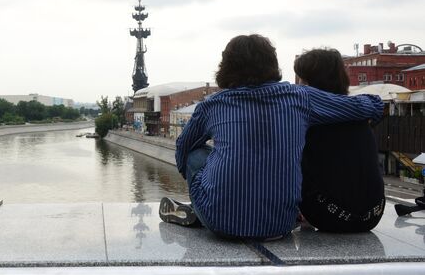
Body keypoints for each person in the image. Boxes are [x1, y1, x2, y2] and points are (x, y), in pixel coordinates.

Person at [159, 34, 384, 240]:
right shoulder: (299, 97)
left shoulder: (212, 105)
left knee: (196, 154)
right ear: (272, 64)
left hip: (220, 223)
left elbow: (183, 151)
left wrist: (205, 177)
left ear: (226, 66)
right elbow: (371, 105)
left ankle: (202, 208)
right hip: (280, 225)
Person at [294, 49, 385, 232]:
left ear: (312, 81)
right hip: (373, 214)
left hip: (326, 215)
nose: (299, 85)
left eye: (302, 79)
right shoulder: (359, 114)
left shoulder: (308, 114)